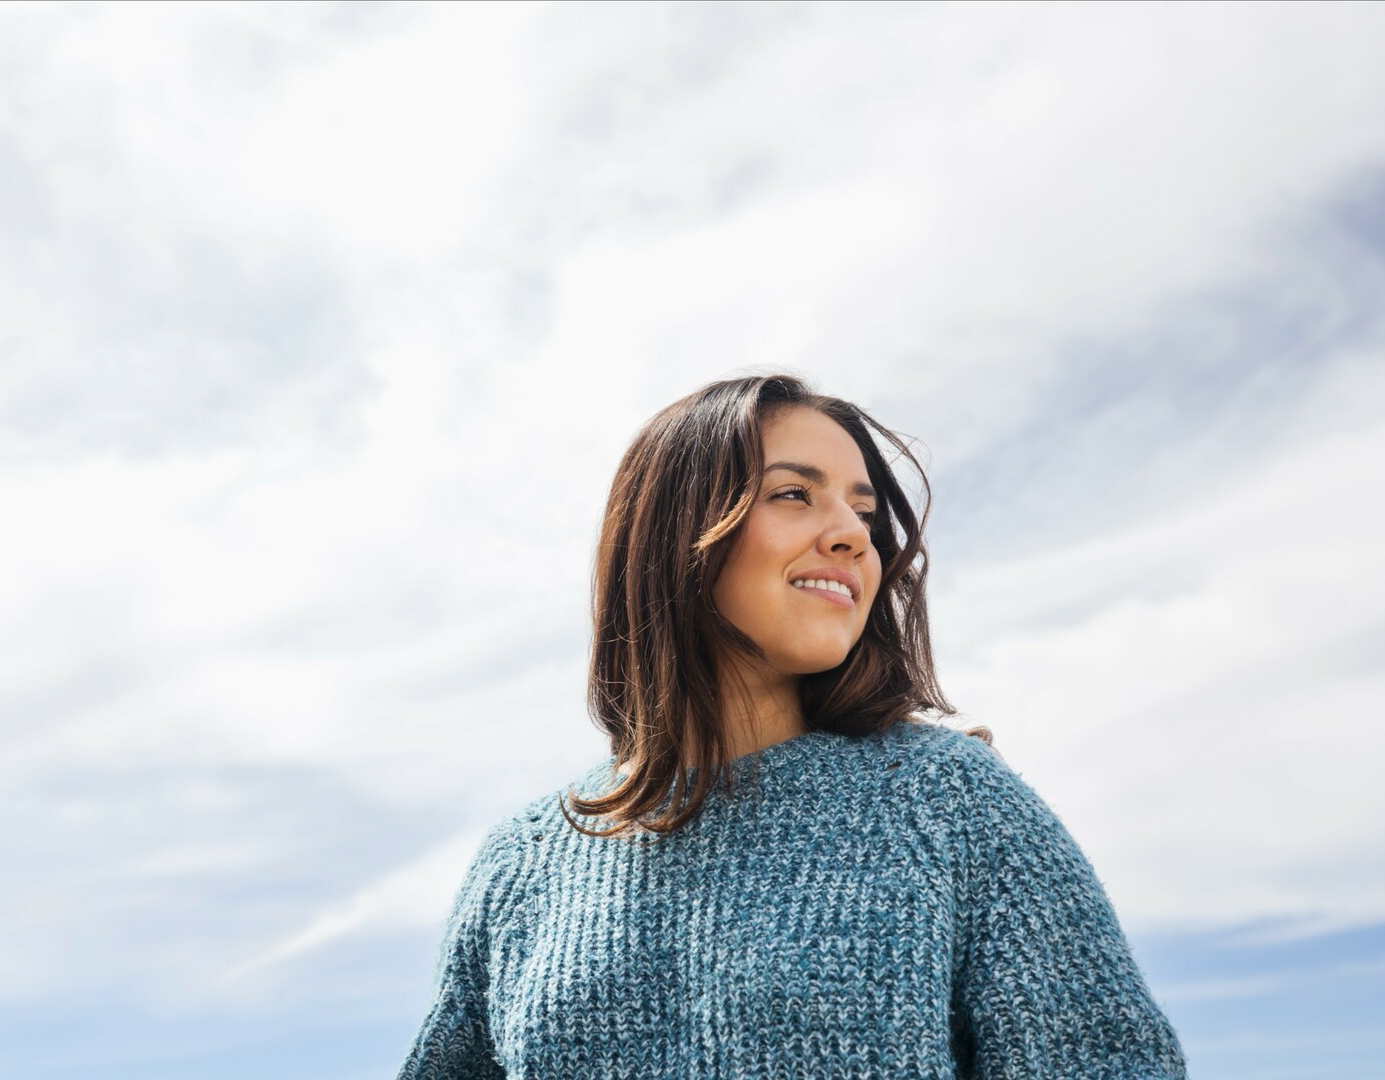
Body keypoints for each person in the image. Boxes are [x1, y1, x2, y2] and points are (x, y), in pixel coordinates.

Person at [396, 373, 1188, 1079]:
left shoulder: (953, 803)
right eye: (793, 494)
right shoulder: (521, 863)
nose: (853, 534)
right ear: (673, 531)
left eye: (865, 512)